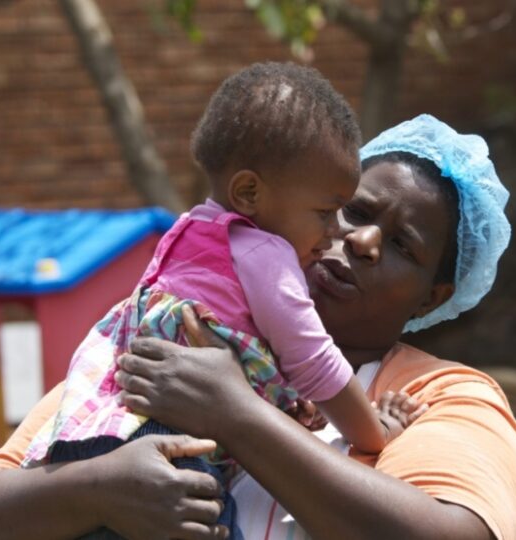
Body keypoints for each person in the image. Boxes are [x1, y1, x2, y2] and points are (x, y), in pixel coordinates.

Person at [0, 114, 516, 540]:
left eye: (402, 245)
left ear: (432, 297)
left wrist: (235, 411)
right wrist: (99, 486)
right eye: (352, 211)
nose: (360, 240)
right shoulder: (165, 335)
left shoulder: (441, 398)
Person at [22, 62, 423, 537]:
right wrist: (373, 432)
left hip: (91, 438)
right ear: (249, 192)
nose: (335, 231)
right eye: (325, 211)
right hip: (168, 449)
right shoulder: (265, 254)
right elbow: (315, 363)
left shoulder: (190, 233)